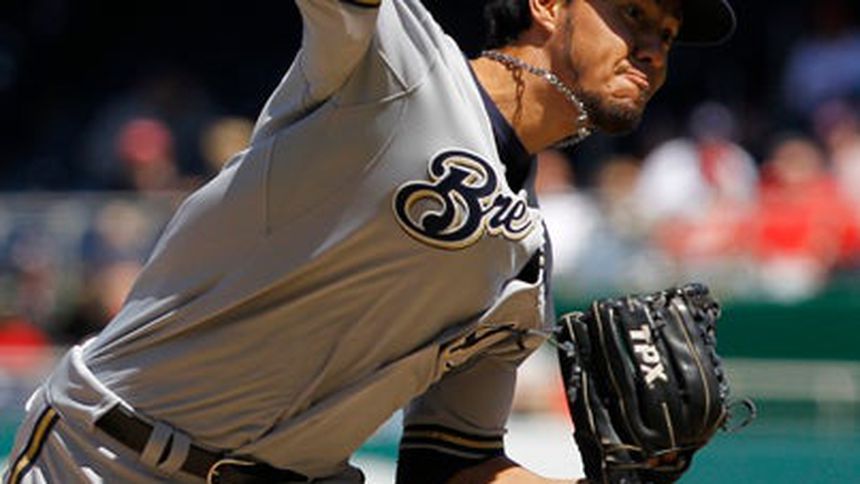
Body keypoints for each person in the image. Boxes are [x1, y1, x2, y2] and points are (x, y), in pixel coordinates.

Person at [3, 0, 735, 483]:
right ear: (546, 4)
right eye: (634, 14)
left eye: (666, 36)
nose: (651, 49)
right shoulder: (396, 62)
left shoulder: (528, 265)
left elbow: (453, 464)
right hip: (111, 459)